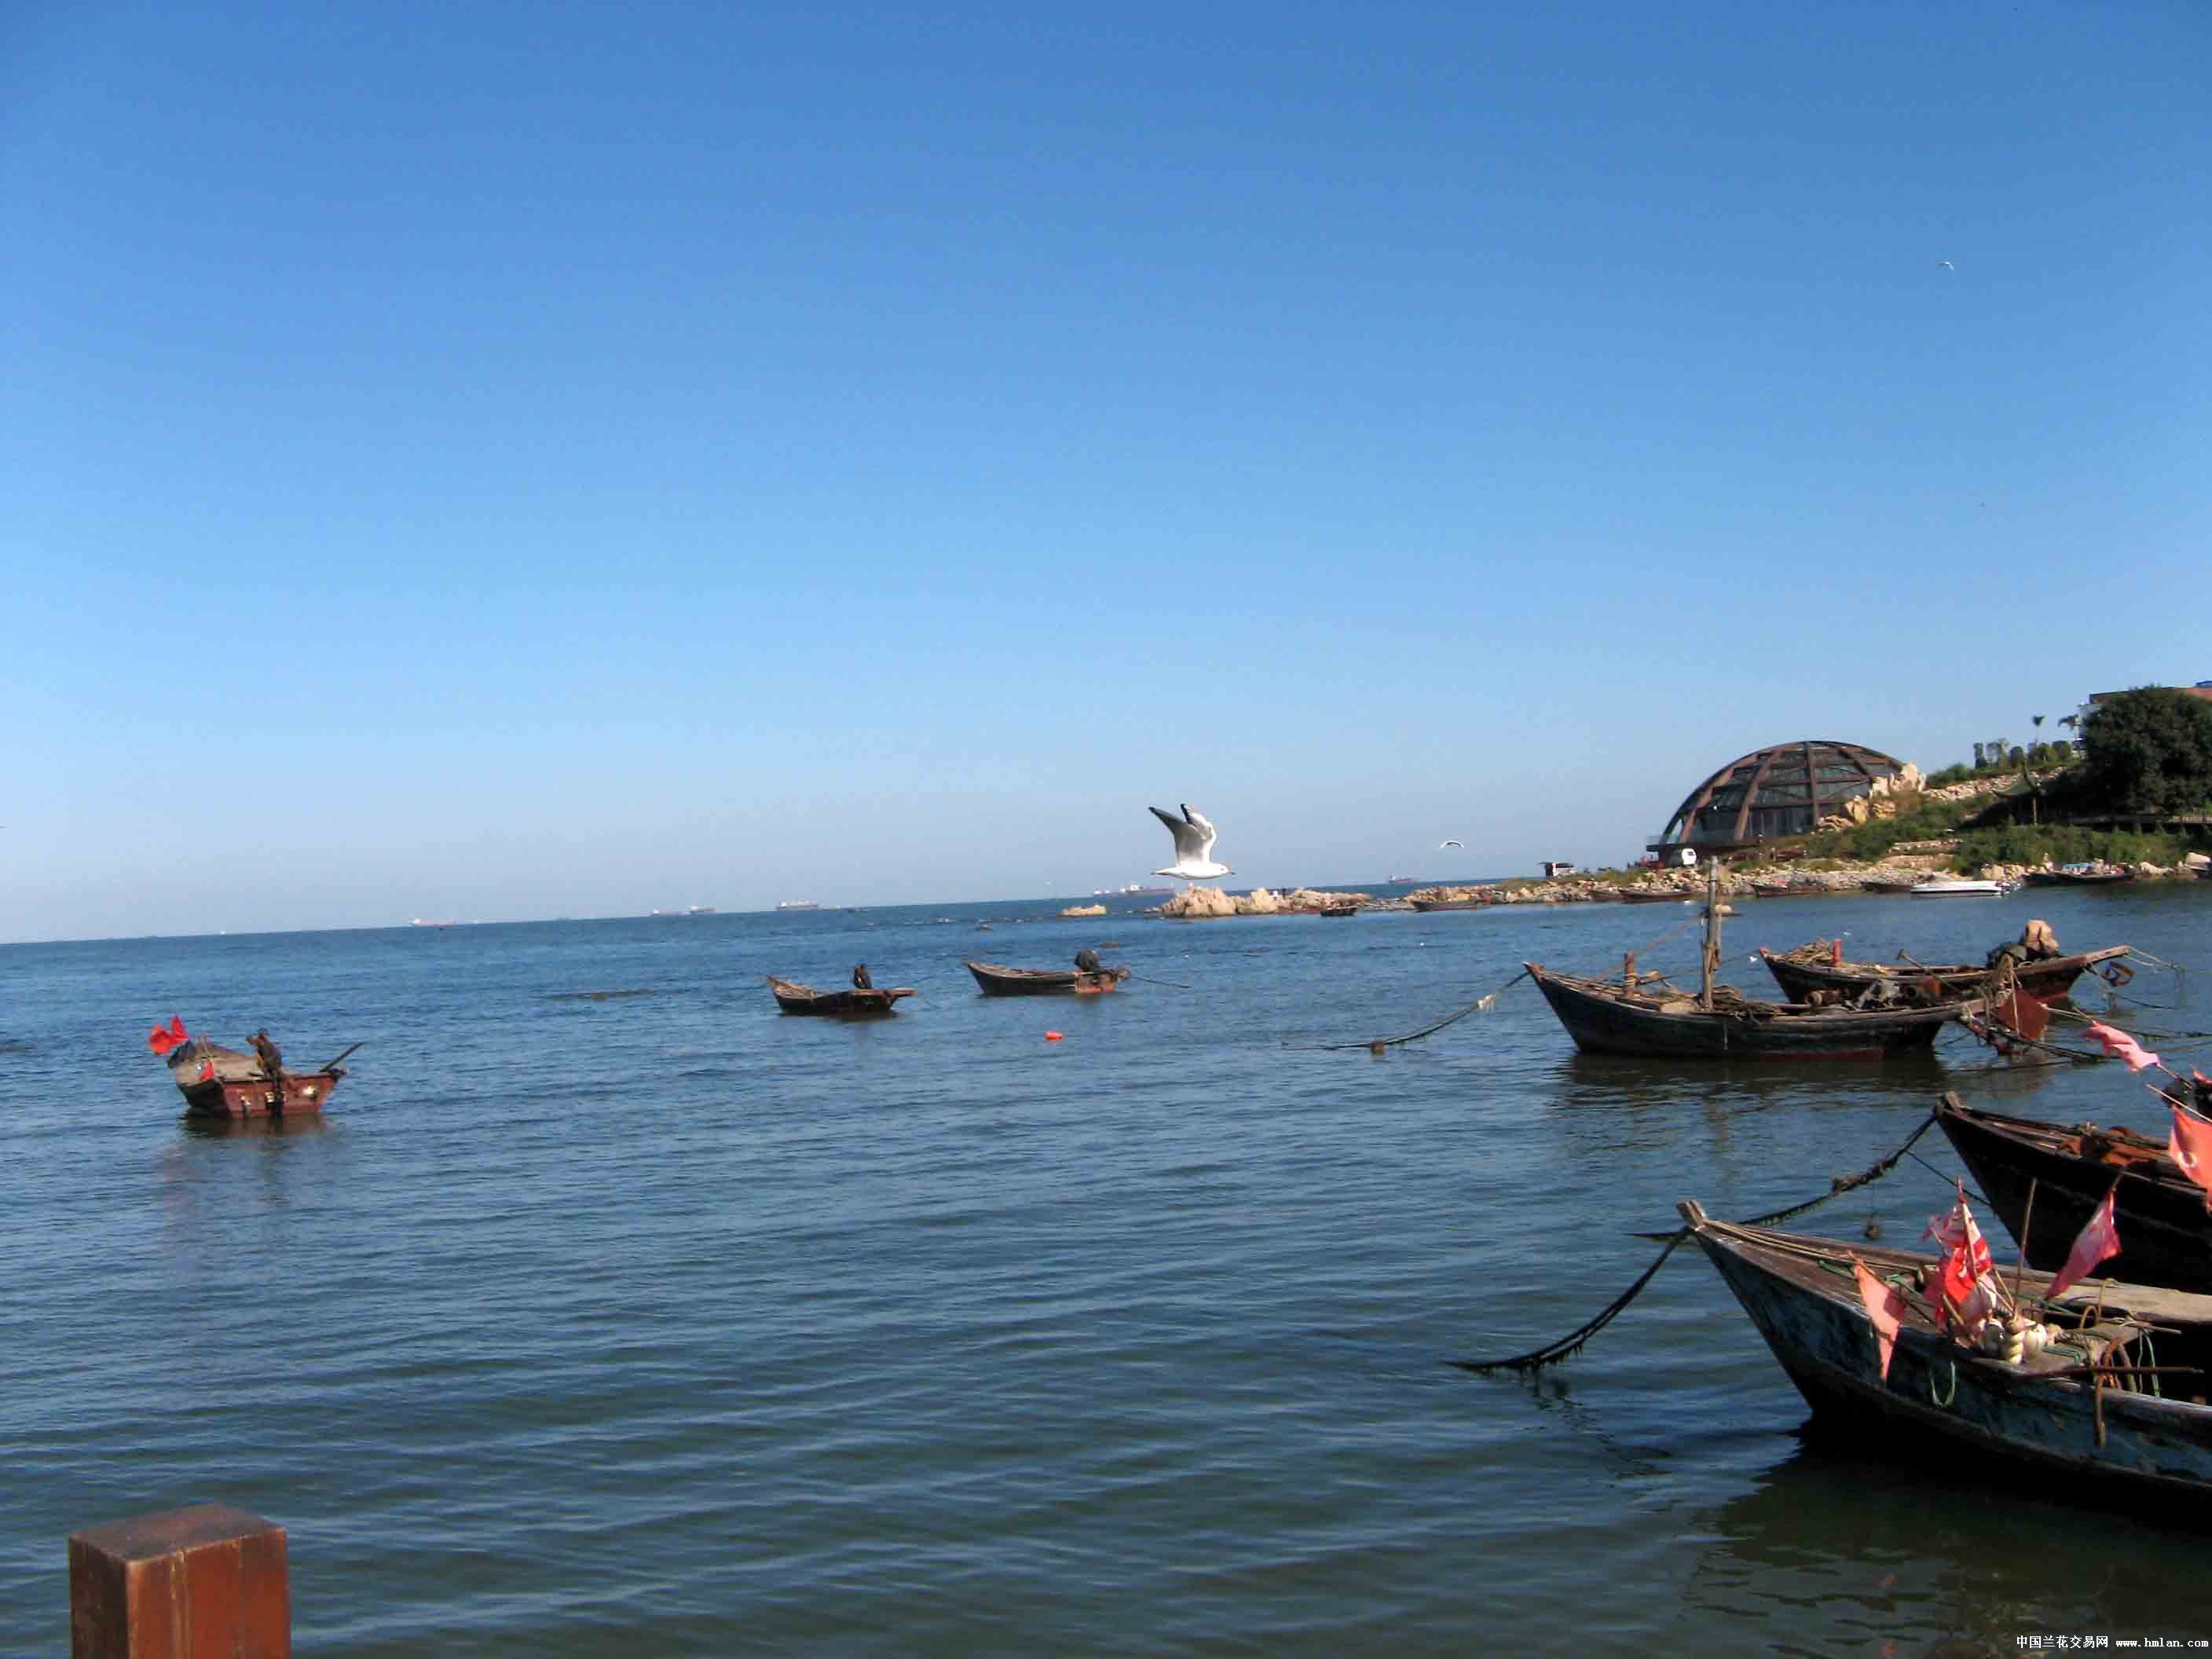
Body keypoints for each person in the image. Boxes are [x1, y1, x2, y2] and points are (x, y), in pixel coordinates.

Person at [248, 1028, 287, 1113]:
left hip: (274, 1061)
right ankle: (273, 1077)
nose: (251, 1044)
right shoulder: (263, 1044)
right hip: (276, 1061)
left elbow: (266, 1058)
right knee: (268, 1067)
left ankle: (270, 1077)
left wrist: (264, 1066)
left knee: (262, 1064)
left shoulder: (263, 1045)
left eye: (250, 1042)